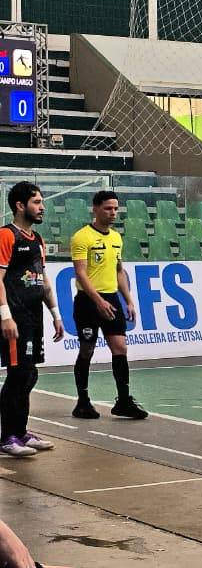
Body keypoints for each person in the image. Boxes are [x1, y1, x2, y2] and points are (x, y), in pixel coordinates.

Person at [69, 190, 146, 420]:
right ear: (95, 208)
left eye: (115, 208)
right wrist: (98, 300)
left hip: (111, 299)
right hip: (88, 302)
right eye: (108, 208)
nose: (113, 213)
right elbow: (81, 274)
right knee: (87, 350)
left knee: (120, 348)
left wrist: (129, 300)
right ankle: (82, 402)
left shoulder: (116, 238)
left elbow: (119, 270)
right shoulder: (82, 237)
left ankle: (123, 400)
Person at [0, 182, 64, 457]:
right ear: (20, 205)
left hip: (34, 316)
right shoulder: (5, 236)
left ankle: (21, 432)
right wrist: (5, 316)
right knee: (18, 375)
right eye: (37, 202)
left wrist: (55, 314)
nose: (42, 207)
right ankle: (7, 437)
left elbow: (43, 279)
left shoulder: (36, 239)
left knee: (30, 374)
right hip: (14, 317)